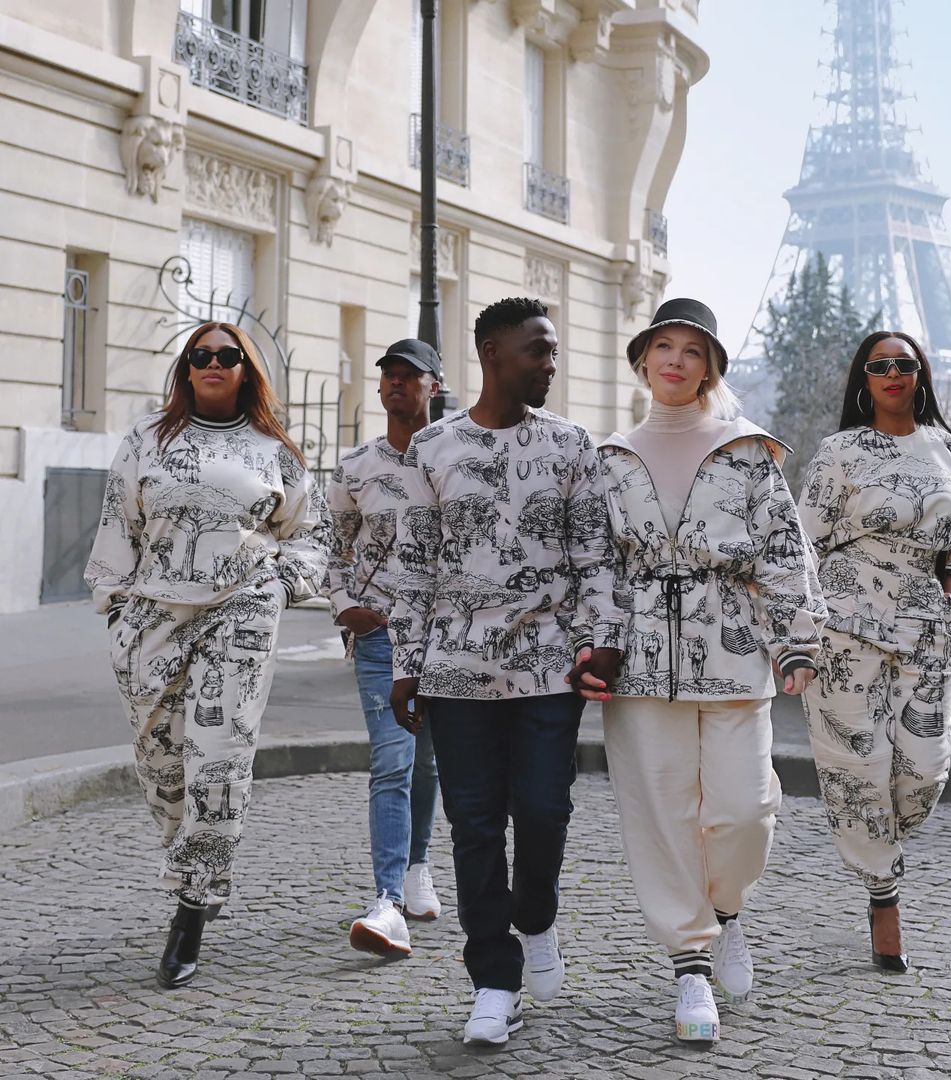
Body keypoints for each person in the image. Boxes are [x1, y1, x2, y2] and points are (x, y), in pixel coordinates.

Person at [388, 297, 623, 1046]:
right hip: (456, 675)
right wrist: (405, 666)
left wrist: (601, 642)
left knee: (545, 811)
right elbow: (413, 570)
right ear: (491, 353)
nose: (550, 364)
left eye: (553, 352)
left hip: (550, 671)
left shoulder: (572, 446)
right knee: (475, 828)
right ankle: (494, 979)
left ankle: (537, 918)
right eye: (536, 351)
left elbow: (596, 559)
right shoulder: (432, 449)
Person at [596, 298, 825, 1042]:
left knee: (742, 811)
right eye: (662, 346)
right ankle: (690, 966)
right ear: (641, 361)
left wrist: (795, 641)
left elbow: (785, 552)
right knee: (659, 814)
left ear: (710, 367)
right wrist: (590, 645)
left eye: (691, 351)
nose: (674, 360)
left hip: (732, 651)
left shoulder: (748, 450)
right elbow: (593, 564)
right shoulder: (609, 456)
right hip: (637, 666)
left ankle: (728, 912)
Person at [84, 322, 329, 988]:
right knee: (163, 763)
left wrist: (282, 584)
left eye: (228, 356)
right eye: (202, 356)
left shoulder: (274, 451)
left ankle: (192, 904)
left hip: (240, 614)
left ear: (246, 370)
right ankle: (189, 858)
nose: (215, 363)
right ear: (187, 370)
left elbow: (313, 534)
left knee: (218, 758)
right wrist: (113, 604)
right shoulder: (146, 439)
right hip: (153, 618)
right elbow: (118, 520)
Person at [797, 330, 951, 974]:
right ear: (863, 380)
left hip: (927, 633)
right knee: (857, 769)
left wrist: (950, 590)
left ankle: (883, 856)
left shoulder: (945, 445)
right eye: (878, 366)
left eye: (904, 364)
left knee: (923, 775)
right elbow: (804, 542)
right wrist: (801, 632)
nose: (892, 374)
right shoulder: (841, 451)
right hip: (848, 634)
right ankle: (883, 895)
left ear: (920, 373)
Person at [325, 339, 443, 957]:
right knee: (392, 762)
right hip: (380, 638)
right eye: (388, 377)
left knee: (427, 761)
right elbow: (331, 549)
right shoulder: (355, 468)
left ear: (434, 386)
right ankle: (388, 901)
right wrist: (347, 607)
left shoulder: (455, 459)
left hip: (448, 637)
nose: (396, 385)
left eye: (410, 377)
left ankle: (419, 866)